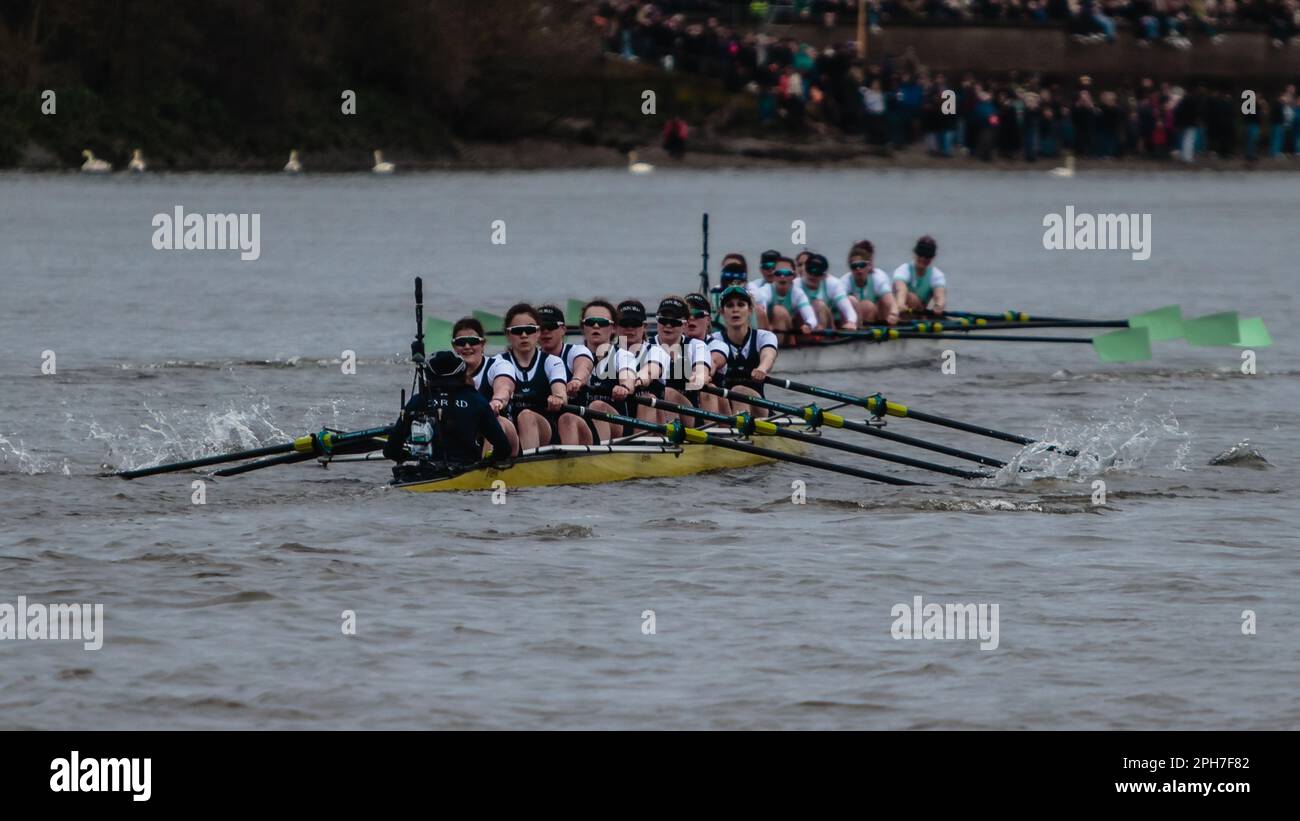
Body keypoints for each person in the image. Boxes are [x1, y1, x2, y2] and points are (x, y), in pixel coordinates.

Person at [383, 350, 512, 473]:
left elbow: (390, 451)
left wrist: (408, 455)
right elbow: (504, 449)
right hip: (468, 473)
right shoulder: (477, 401)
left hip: (425, 474)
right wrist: (487, 462)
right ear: (462, 373)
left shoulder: (417, 401)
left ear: (429, 375)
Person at [490, 303, 590, 450]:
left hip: (546, 431)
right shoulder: (498, 362)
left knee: (526, 416)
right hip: (512, 432)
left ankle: (527, 466)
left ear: (537, 333)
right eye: (518, 331)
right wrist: (498, 401)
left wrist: (558, 397)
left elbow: (560, 391)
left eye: (529, 330)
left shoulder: (552, 362)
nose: (524, 335)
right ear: (508, 334)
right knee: (497, 421)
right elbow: (504, 386)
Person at [449, 317, 520, 456]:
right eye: (461, 342)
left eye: (473, 341)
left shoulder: (498, 365)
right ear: (454, 346)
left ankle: (484, 468)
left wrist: (497, 401)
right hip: (466, 435)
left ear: (482, 344)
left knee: (493, 422)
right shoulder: (446, 374)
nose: (467, 346)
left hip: (503, 435)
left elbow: (504, 386)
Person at [647, 295, 724, 420]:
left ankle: (712, 433)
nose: (668, 325)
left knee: (707, 389)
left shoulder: (696, 346)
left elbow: (702, 370)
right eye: (663, 320)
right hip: (656, 413)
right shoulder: (646, 347)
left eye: (674, 322)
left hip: (690, 415)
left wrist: (699, 377)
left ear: (685, 324)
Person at [579, 298, 642, 442]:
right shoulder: (572, 354)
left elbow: (628, 376)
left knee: (597, 406)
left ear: (613, 328)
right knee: (567, 418)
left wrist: (625, 386)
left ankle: (600, 456)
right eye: (590, 322)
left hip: (616, 423)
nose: (596, 325)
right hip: (582, 423)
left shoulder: (623, 355)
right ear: (583, 327)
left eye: (602, 322)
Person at [713, 285, 778, 418]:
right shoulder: (715, 340)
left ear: (750, 310)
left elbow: (768, 355)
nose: (735, 310)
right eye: (730, 305)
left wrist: (762, 368)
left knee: (739, 390)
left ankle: (740, 434)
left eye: (741, 305)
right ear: (722, 311)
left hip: (759, 408)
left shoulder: (764, 336)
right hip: (725, 409)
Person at [751, 254, 816, 341]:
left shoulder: (797, 293)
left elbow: (811, 318)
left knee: (780, 311)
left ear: (794, 276)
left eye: (786, 273)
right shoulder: (766, 290)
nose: (782, 277)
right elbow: (762, 309)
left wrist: (808, 325)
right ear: (773, 275)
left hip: (790, 331)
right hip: (769, 330)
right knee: (765, 310)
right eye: (778, 273)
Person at [839, 240, 899, 326]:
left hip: (878, 317)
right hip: (853, 320)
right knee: (858, 303)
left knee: (869, 306)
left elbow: (891, 302)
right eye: (854, 266)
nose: (858, 269)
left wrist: (894, 313)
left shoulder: (877, 278)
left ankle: (885, 325)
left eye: (862, 265)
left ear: (869, 265)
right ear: (850, 268)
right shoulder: (844, 282)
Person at [798, 252, 857, 330]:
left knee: (819, 304)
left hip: (827, 323)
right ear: (804, 269)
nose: (812, 275)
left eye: (817, 273)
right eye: (810, 270)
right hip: (803, 325)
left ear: (825, 275)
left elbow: (847, 309)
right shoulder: (795, 285)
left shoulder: (833, 284)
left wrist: (851, 322)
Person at [892, 235, 948, 316]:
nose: (923, 258)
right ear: (915, 253)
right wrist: (900, 304)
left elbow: (940, 296)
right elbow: (901, 289)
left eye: (927, 256)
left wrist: (938, 306)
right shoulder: (903, 270)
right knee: (911, 298)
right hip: (897, 313)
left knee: (914, 300)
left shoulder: (937, 275)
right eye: (920, 254)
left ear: (933, 257)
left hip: (919, 312)